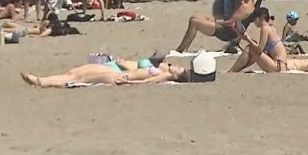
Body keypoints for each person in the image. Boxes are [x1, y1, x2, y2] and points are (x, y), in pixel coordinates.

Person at [175, 0, 258, 52]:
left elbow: (230, 23)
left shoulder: (244, 8)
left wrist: (217, 22)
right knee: (194, 17)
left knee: (194, 22)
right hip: (229, 27)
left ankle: (180, 49)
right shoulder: (250, 2)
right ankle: (185, 48)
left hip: (226, 32)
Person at [20, 58, 189, 88]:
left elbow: (147, 82)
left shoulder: (164, 75)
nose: (176, 66)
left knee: (79, 77)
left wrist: (129, 82)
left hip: (116, 77)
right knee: (76, 72)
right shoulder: (160, 68)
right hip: (113, 71)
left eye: (179, 69)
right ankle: (41, 80)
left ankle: (40, 81)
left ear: (176, 76)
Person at [229, 7, 288, 73]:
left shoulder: (265, 28)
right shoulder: (269, 27)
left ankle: (232, 70)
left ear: (262, 17)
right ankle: (235, 70)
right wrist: (237, 30)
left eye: (255, 19)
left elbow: (259, 49)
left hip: (278, 66)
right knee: (252, 45)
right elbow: (254, 44)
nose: (254, 21)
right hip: (280, 65)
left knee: (250, 48)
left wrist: (248, 38)